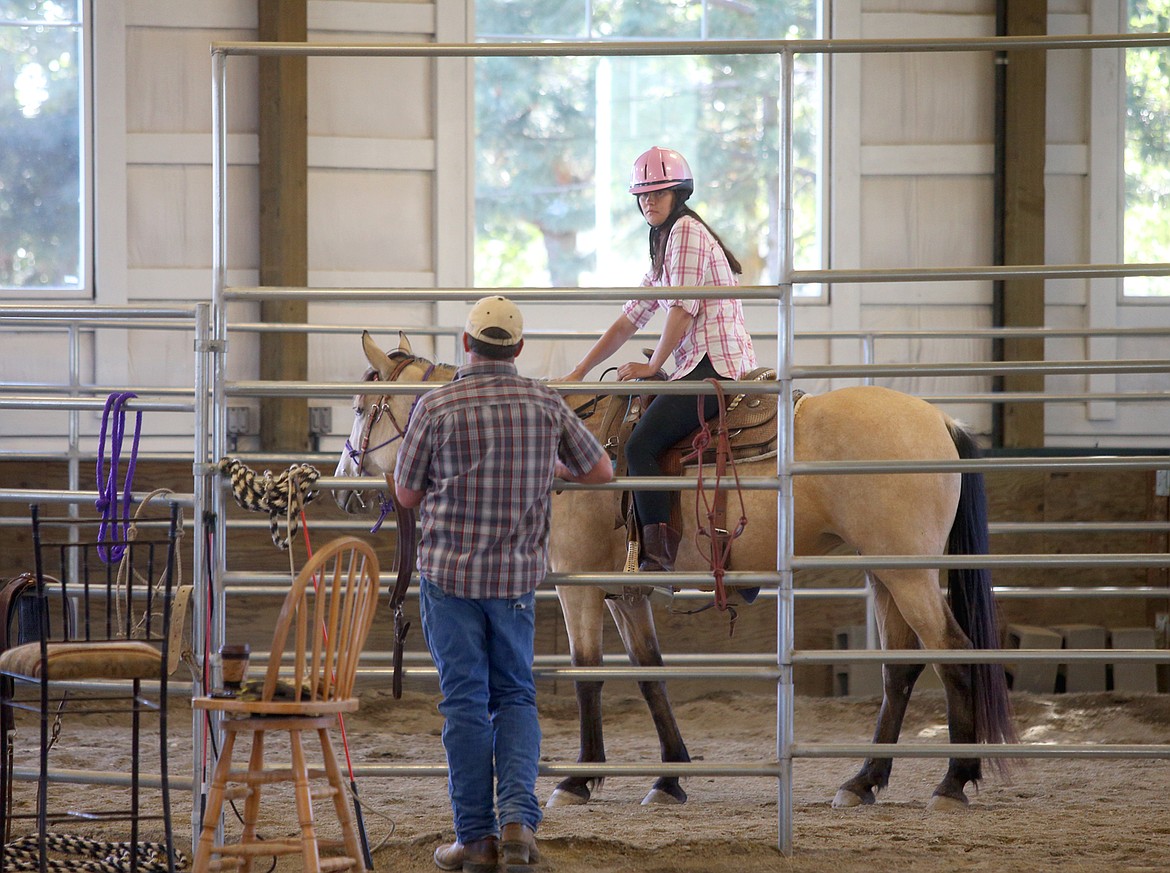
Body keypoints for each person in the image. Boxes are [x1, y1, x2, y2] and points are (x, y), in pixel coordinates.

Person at [394, 295, 613, 873]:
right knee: (515, 696)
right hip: (515, 579)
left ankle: (475, 839)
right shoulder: (544, 401)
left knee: (463, 703)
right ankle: (518, 827)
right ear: (518, 349)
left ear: (466, 344)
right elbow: (601, 471)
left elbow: (407, 494)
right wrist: (554, 469)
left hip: (448, 576)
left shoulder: (435, 405)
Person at [563, 145, 757, 576]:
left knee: (639, 445)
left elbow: (683, 308)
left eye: (659, 193)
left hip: (713, 365)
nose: (649, 201)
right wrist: (580, 371)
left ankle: (657, 557)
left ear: (678, 194)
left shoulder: (685, 232)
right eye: (643, 195)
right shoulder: (664, 243)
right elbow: (631, 318)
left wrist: (653, 368)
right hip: (699, 362)